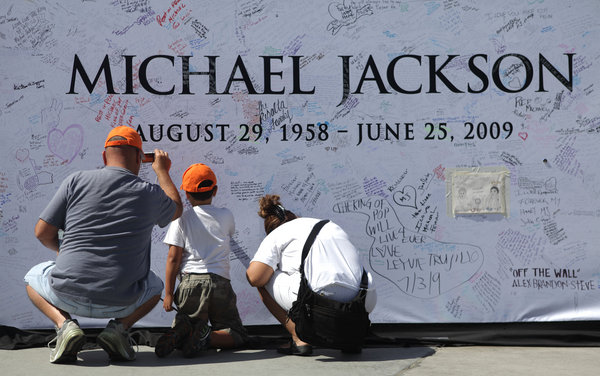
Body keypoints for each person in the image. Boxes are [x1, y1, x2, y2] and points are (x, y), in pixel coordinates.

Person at [24, 126, 183, 363]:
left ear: (103, 156)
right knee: (155, 285)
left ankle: (65, 325)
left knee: (32, 278)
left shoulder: (75, 181)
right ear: (140, 158)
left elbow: (42, 232)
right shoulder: (149, 193)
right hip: (123, 300)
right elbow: (176, 208)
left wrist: (62, 249)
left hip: (66, 294)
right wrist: (162, 171)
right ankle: (118, 330)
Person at [246, 194, 376, 356]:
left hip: (321, 299)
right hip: (364, 300)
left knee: (262, 280)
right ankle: (350, 338)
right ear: (294, 216)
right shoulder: (330, 225)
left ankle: (300, 339)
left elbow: (255, 277)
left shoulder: (277, 234)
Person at [155, 163, 248, 358]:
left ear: (187, 195)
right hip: (220, 282)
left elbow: (173, 258)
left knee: (185, 327)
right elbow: (229, 234)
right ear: (215, 190)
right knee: (236, 333)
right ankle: (207, 338)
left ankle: (184, 331)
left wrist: (170, 294)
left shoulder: (182, 219)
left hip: (191, 282)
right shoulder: (226, 215)